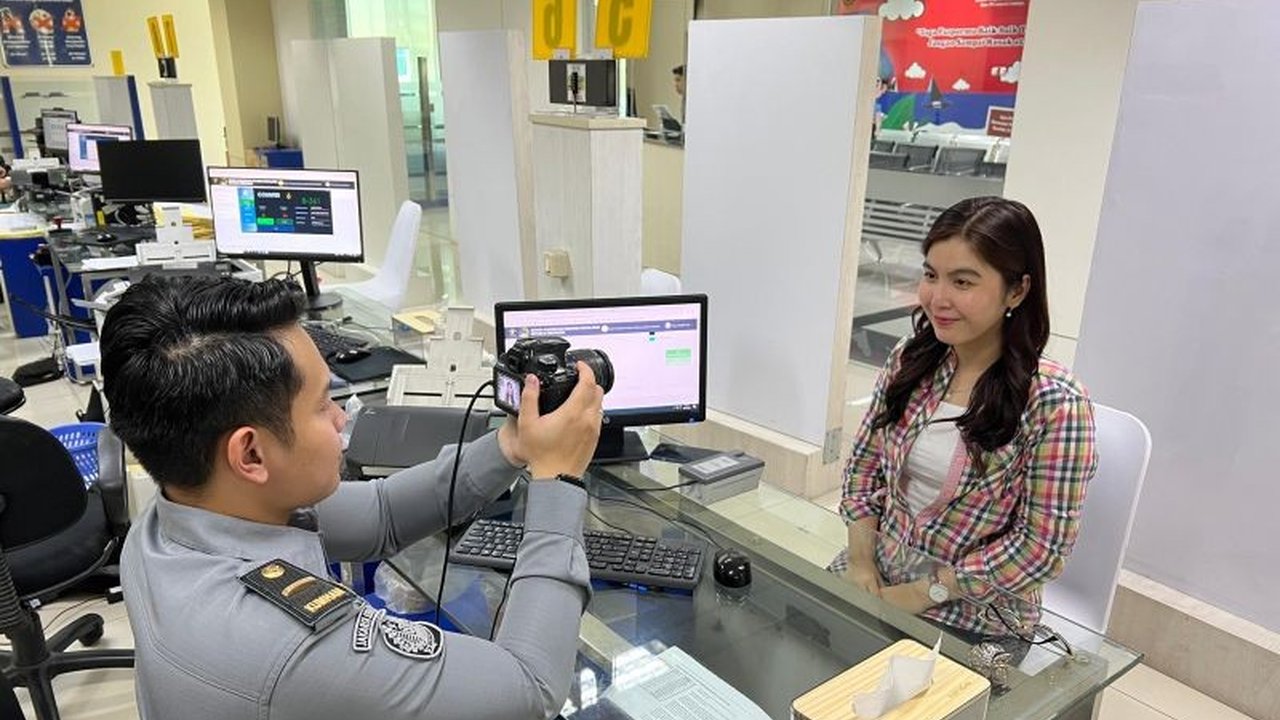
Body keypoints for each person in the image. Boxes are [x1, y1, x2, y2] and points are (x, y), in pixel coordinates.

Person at [100, 276, 605, 720]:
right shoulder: (296, 647)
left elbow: (379, 515)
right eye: (324, 405)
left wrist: (511, 446)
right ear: (250, 454)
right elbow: (530, 689)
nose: (343, 420)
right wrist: (557, 483)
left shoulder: (174, 516)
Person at [832, 197, 1097, 646]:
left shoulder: (1056, 403)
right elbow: (863, 469)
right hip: (877, 573)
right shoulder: (911, 361)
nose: (938, 298)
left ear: (1016, 291)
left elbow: (1040, 549)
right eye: (931, 275)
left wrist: (925, 592)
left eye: (963, 282)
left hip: (976, 614)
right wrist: (861, 561)